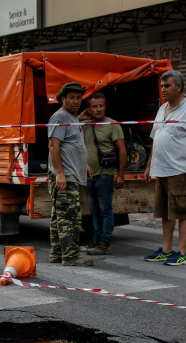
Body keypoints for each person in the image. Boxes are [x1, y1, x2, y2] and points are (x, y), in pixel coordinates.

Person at [143, 70, 186, 266]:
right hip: (161, 169)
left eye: (167, 86)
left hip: (180, 170)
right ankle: (165, 249)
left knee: (182, 211)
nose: (163, 90)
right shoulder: (162, 108)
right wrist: (149, 166)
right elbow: (156, 139)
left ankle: (181, 252)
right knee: (166, 212)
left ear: (179, 86)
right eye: (162, 86)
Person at [48, 82, 92, 267]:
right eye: (71, 97)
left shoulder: (73, 117)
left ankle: (58, 253)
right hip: (65, 176)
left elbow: (72, 146)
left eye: (78, 97)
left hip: (72, 174)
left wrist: (85, 165)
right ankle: (71, 256)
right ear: (63, 99)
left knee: (60, 216)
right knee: (70, 217)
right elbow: (53, 145)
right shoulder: (60, 117)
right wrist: (60, 173)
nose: (76, 101)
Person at [78, 92, 126, 256]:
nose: (98, 109)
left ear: (105, 106)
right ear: (89, 109)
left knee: (106, 210)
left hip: (105, 175)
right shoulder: (85, 125)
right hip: (89, 176)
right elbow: (66, 127)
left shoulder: (113, 125)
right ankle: (96, 240)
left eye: (101, 106)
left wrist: (120, 175)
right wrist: (79, 117)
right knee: (94, 211)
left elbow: (122, 150)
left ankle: (105, 243)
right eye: (94, 106)